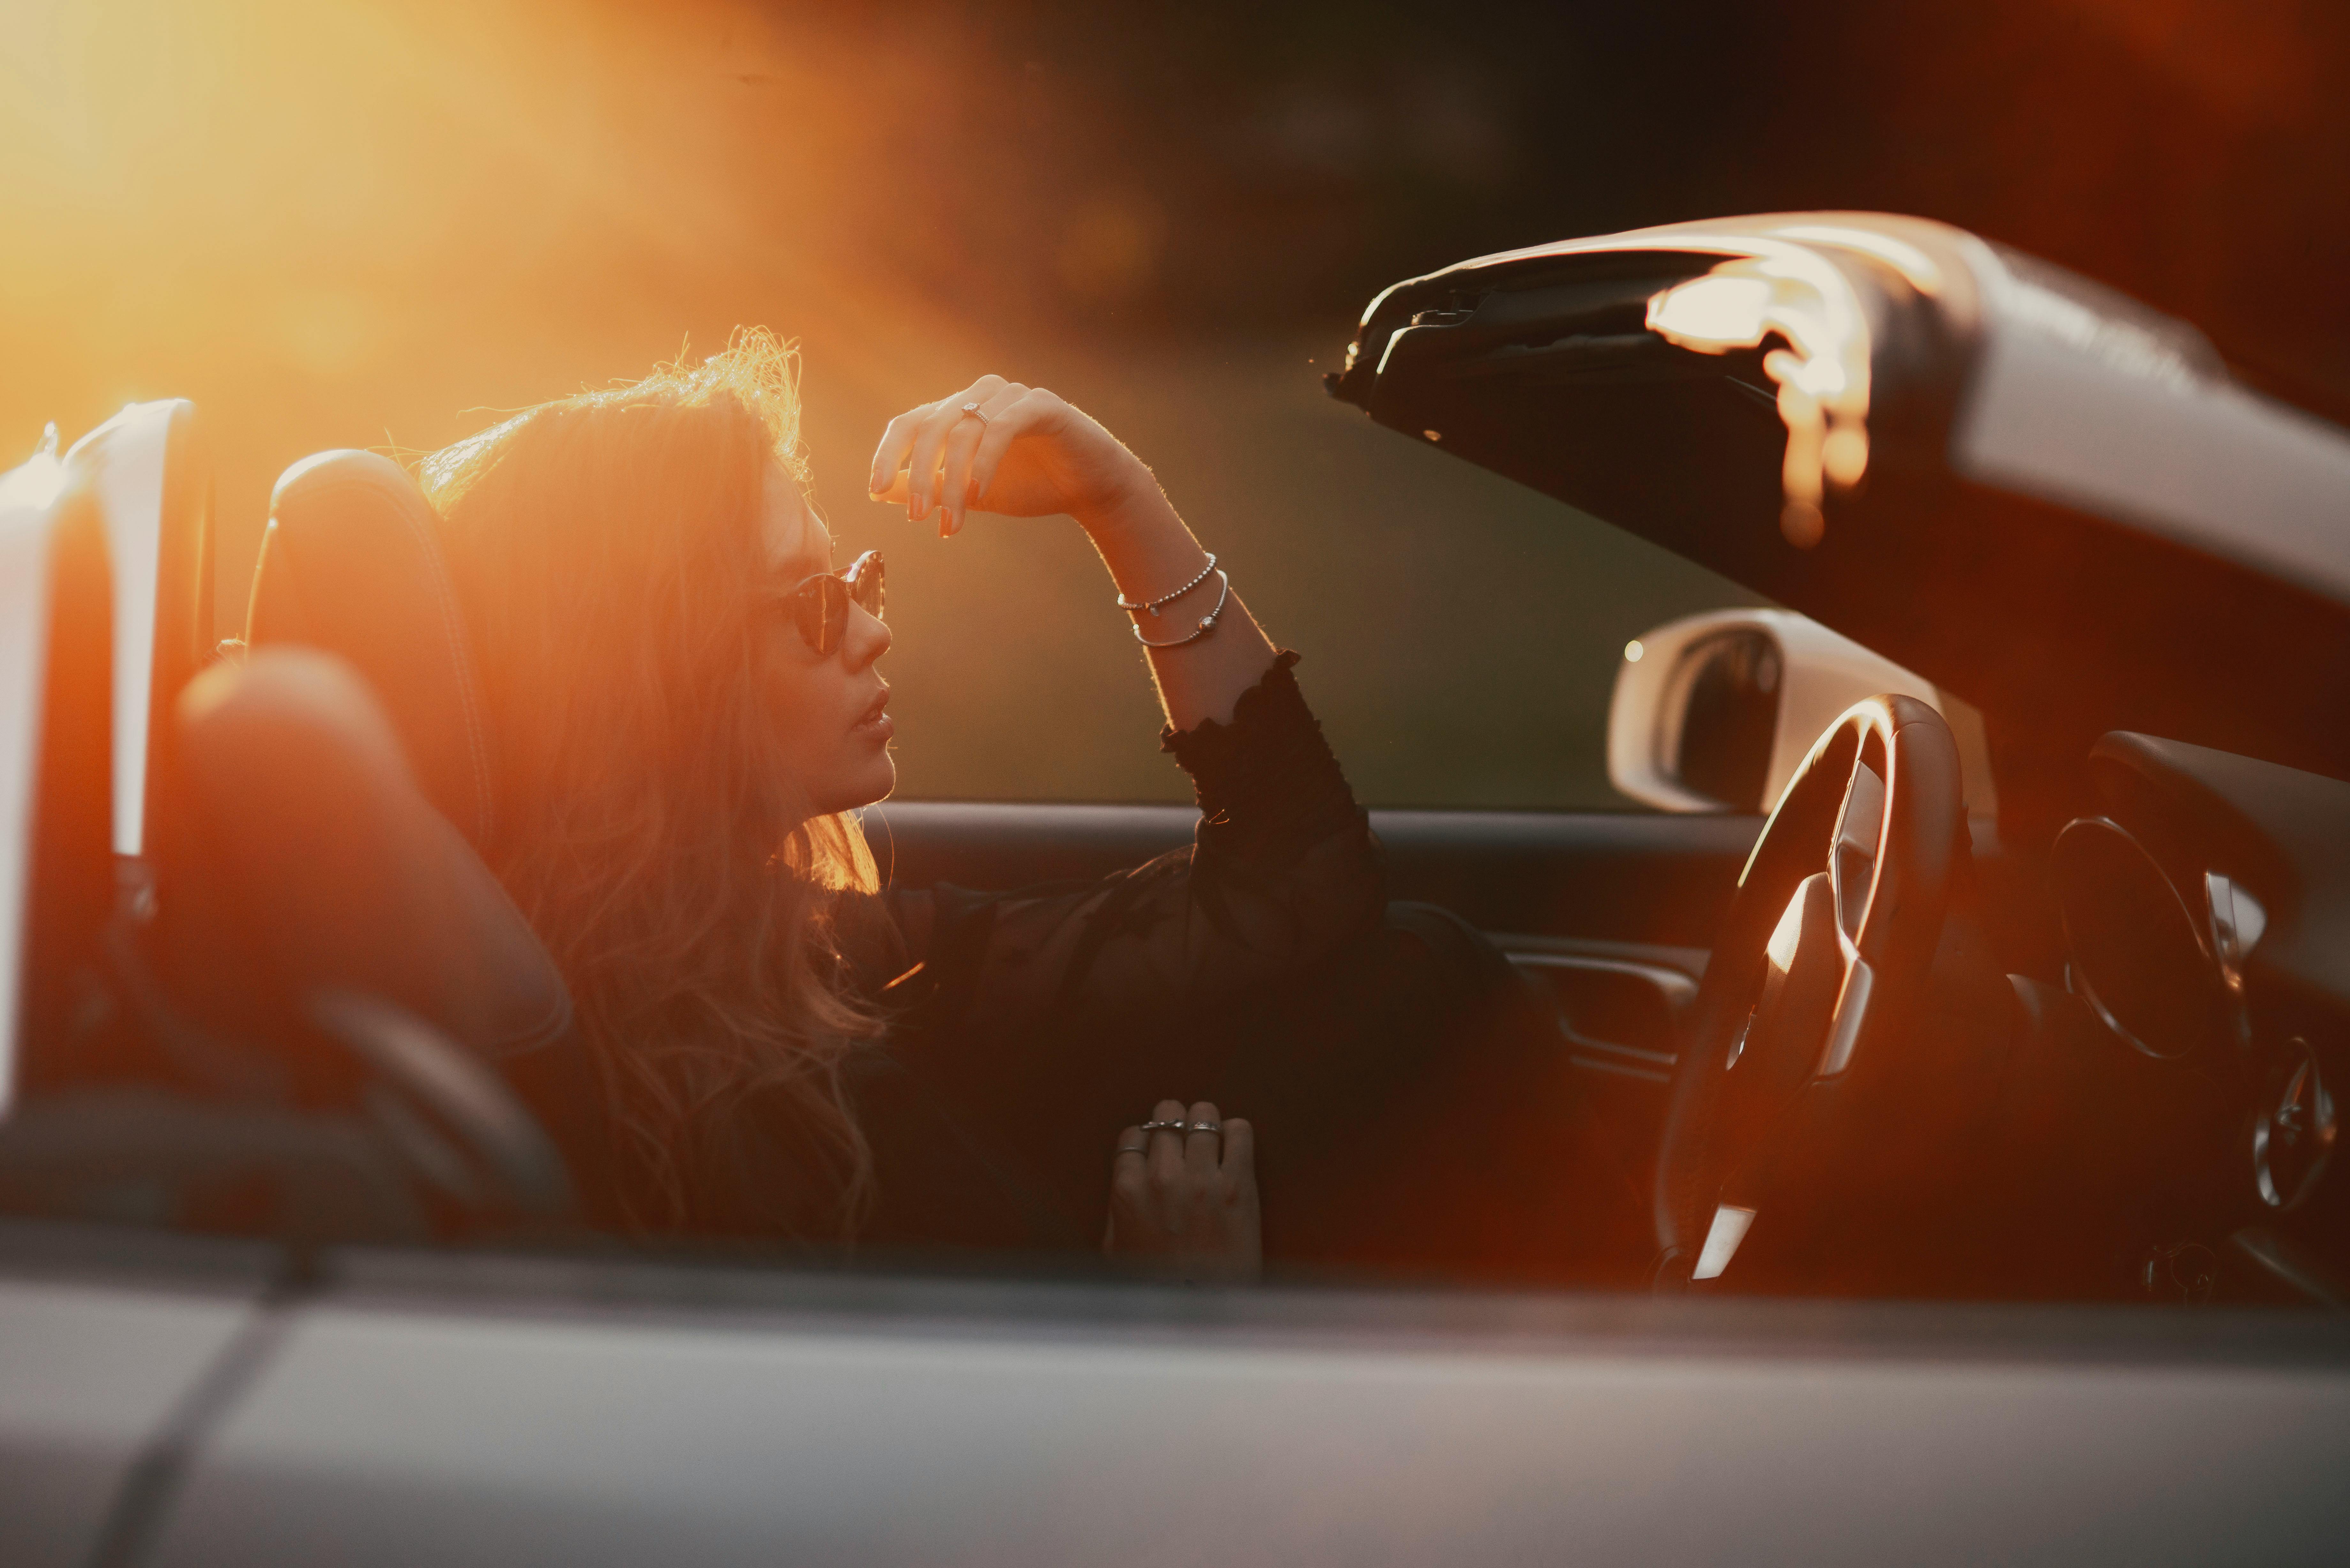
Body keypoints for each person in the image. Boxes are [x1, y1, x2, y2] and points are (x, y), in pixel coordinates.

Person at [417, 330, 1386, 1282]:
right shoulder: (765, 1116)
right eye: (813, 604)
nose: (877, 631)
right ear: (656, 683)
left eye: (856, 579)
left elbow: (1286, 903)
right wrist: (1177, 1319)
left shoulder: (789, 956)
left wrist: (1116, 497)